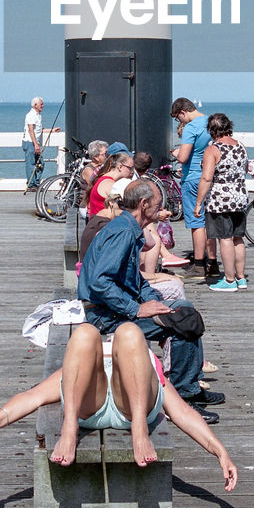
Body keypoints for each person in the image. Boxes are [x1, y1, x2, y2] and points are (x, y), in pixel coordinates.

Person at [0, 322, 237, 489]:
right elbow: (32, 397)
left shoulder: (140, 356)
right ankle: (69, 429)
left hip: (134, 410)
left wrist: (219, 451)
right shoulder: (85, 362)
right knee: (85, 332)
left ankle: (139, 432)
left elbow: (182, 413)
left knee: (130, 331)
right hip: (90, 406)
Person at [77, 178, 224, 418]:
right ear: (144, 204)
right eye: (158, 203)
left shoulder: (129, 228)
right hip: (103, 315)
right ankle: (181, 399)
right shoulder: (123, 232)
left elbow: (133, 278)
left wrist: (153, 300)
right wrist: (136, 309)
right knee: (182, 320)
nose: (161, 207)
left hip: (114, 307)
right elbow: (99, 282)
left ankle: (191, 387)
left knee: (182, 310)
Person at [194, 112, 250, 292]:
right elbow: (244, 170)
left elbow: (207, 178)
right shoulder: (241, 146)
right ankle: (241, 278)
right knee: (238, 238)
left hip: (220, 200)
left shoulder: (212, 150)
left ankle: (229, 279)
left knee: (224, 238)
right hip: (240, 197)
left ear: (211, 130)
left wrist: (198, 203)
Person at [170, 97, 216, 277]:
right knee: (209, 220)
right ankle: (212, 263)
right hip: (210, 177)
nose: (179, 122)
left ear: (183, 112)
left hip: (193, 178)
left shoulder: (191, 127)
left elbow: (183, 157)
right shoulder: (212, 122)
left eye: (177, 118)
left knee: (196, 222)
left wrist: (175, 153)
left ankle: (198, 264)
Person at [22, 97, 60, 190]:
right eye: (41, 104)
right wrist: (36, 144)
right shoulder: (31, 115)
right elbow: (31, 130)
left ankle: (35, 183)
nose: (43, 106)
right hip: (30, 143)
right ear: (35, 105)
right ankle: (31, 185)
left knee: (40, 163)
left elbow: (39, 130)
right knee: (31, 164)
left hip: (35, 143)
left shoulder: (38, 115)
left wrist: (52, 130)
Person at [86, 151, 134, 216]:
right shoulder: (110, 184)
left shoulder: (106, 180)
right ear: (120, 167)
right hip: (103, 224)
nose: (132, 172)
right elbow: (121, 210)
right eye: (130, 168)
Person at [79, 140, 108, 206]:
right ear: (96, 157)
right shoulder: (89, 170)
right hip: (88, 205)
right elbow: (97, 187)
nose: (107, 156)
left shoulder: (103, 167)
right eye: (105, 154)